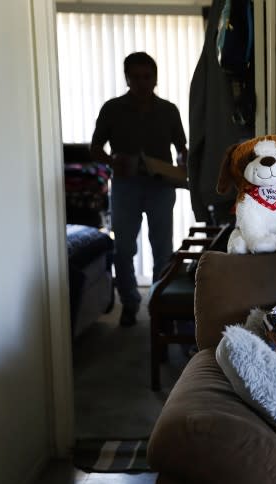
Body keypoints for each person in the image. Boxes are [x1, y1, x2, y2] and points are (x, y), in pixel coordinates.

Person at [90, 51, 188, 326]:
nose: (142, 82)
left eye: (147, 77)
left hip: (160, 186)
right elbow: (94, 148)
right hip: (125, 186)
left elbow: (182, 148)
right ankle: (130, 303)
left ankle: (160, 307)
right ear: (127, 78)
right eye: (136, 77)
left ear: (155, 79)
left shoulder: (169, 110)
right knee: (123, 249)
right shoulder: (112, 108)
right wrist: (111, 161)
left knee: (162, 250)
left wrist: (184, 163)